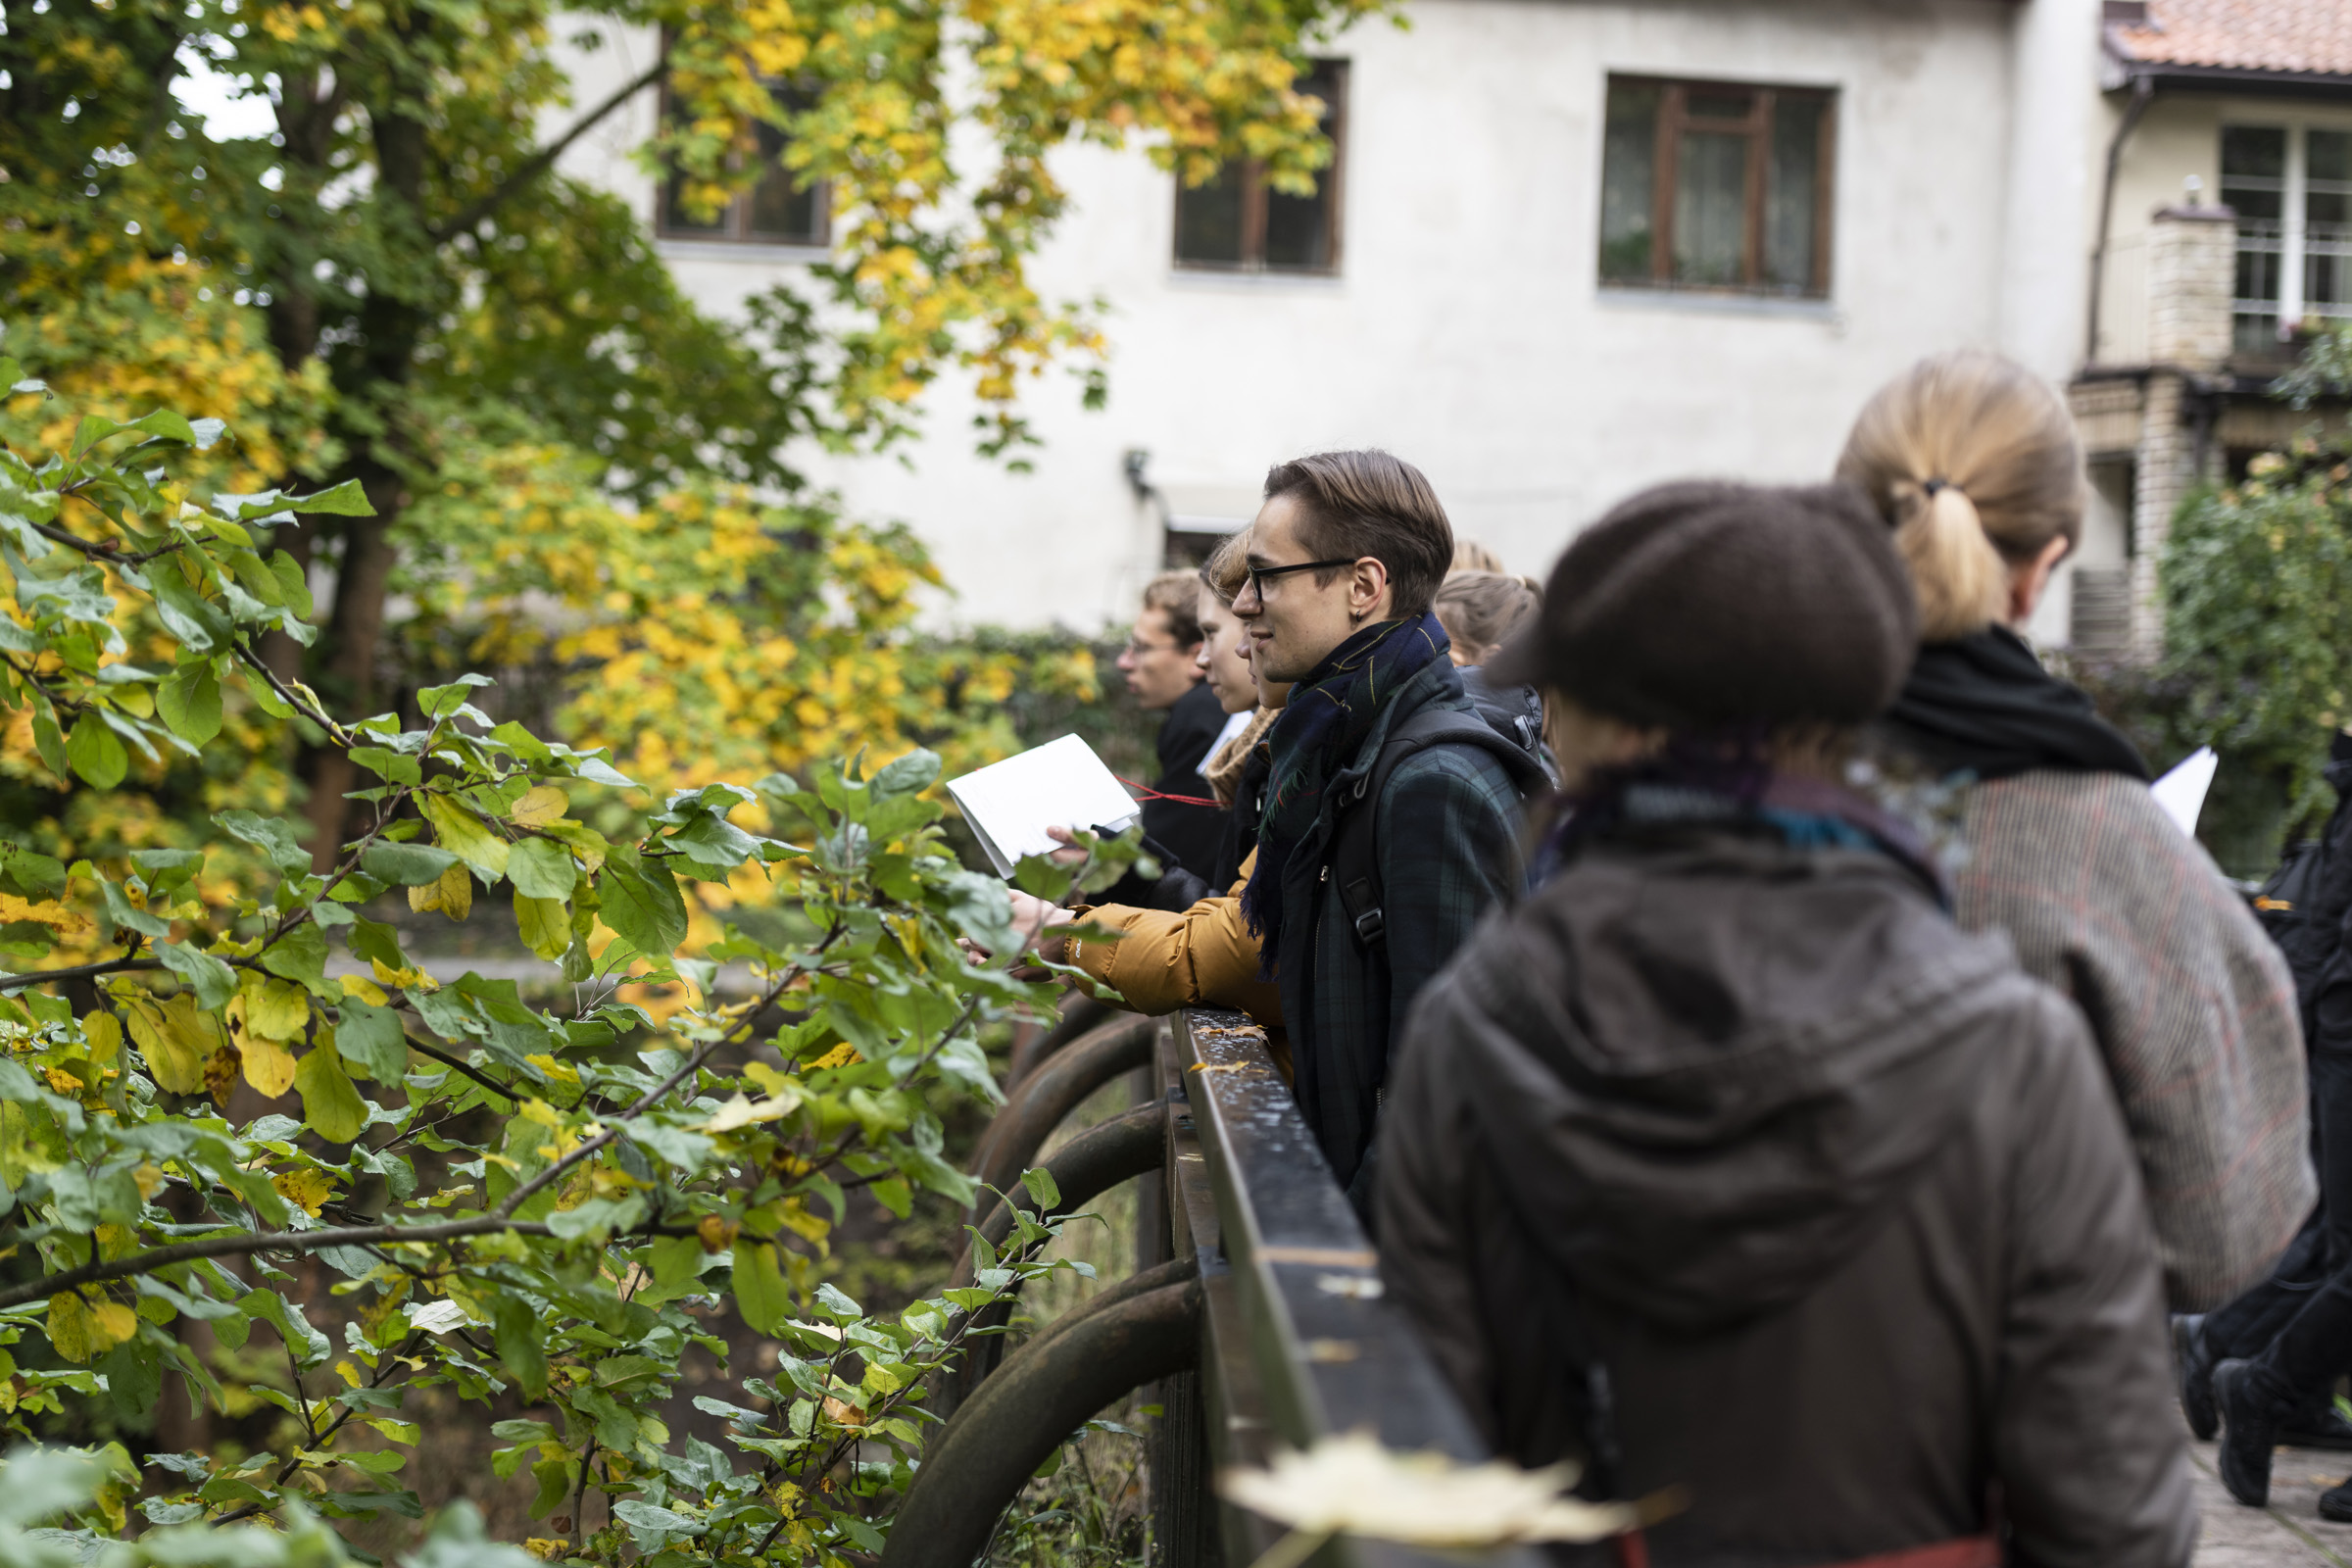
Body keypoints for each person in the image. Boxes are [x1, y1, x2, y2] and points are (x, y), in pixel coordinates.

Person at [1378, 479, 2197, 1568]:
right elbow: (2117, 1519)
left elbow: (1428, 1472)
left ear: (1623, 730)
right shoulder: (2014, 1051)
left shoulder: (1475, 1024)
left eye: (1561, 694)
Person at [1837, 350, 2311, 1314]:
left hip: (1696, 1390)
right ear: (2039, 571)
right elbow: (2227, 1233)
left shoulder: (1695, 780)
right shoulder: (2109, 844)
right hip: (2001, 1379)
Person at [1011, 452, 1541, 1197]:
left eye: (1265, 576)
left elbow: (1450, 1092)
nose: (1244, 605)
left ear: (1363, 587)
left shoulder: (1431, 779)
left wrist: (1337, 1245)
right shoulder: (1342, 751)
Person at [1096, 570, 1228, 906]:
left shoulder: (1199, 719)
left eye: (1141, 648)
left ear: (1196, 656)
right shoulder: (1214, 712)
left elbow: (1171, 866)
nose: (1124, 662)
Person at [1434, 569, 1546, 763]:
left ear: (1492, 661)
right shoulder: (1531, 751)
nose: (1424, 659)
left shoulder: (1454, 757)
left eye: (1441, 652)